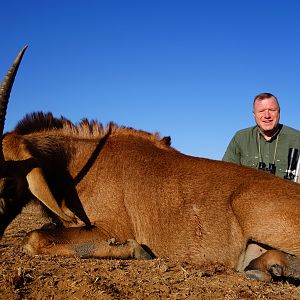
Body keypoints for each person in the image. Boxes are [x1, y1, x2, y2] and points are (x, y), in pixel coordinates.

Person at [222, 92, 300, 179]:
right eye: (261, 111)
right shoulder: (240, 138)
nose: (267, 115)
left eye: (272, 110)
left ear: (279, 112)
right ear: (254, 115)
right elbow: (226, 174)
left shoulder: (297, 139)